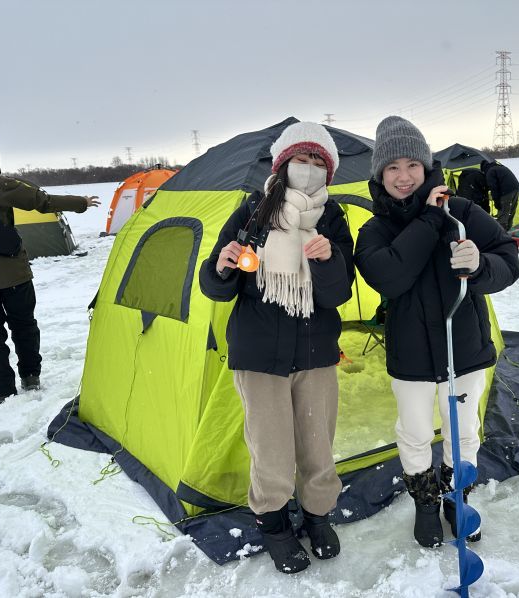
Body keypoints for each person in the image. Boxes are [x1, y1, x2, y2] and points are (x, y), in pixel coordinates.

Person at [354, 116, 519, 548]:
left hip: (462, 348)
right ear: (380, 175)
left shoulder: (463, 212)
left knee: (463, 433)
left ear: (426, 166)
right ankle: (426, 503)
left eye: (412, 164)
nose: (403, 176)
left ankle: (456, 499)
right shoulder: (373, 231)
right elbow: (391, 278)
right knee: (413, 432)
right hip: (410, 358)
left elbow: (508, 258)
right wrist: (429, 219)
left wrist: (480, 267)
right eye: (392, 167)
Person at [198, 122, 354, 574]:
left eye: (317, 163)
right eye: (300, 160)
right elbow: (215, 285)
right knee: (271, 450)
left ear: (329, 171)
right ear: (282, 164)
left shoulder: (333, 218)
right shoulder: (252, 211)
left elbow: (337, 294)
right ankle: (274, 526)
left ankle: (318, 517)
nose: (307, 170)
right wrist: (223, 266)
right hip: (258, 352)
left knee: (317, 445)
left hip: (315, 351)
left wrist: (327, 260)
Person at [0, 132, 100, 406]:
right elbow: (43, 202)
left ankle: (1, 390)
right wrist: (81, 203)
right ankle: (30, 377)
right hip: (13, 273)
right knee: (24, 325)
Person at [480, 159, 519, 230]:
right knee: (511, 210)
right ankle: (508, 229)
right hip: (515, 188)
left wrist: (497, 202)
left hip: (506, 191)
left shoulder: (490, 171)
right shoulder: (500, 167)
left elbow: (493, 188)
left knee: (503, 212)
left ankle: (501, 233)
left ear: (484, 168)